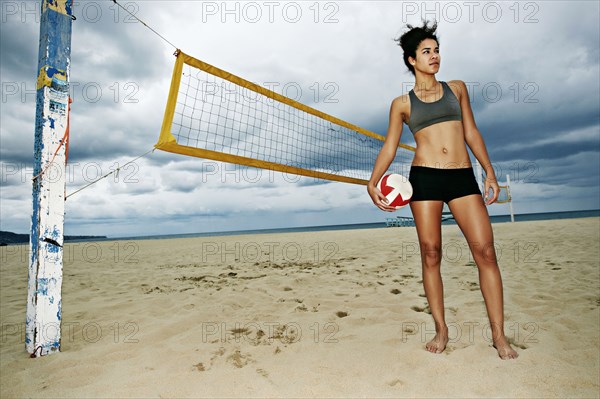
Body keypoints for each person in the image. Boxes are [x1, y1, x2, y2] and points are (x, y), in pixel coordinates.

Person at [367, 21, 518, 360]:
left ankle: (498, 335)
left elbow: (472, 133)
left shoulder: (458, 88)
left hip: (462, 179)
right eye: (426, 52)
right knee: (431, 254)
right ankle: (441, 329)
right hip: (424, 180)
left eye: (437, 50)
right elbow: (390, 147)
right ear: (411, 60)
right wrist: (372, 181)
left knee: (486, 253)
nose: (434, 56)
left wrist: (489, 173)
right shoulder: (401, 104)